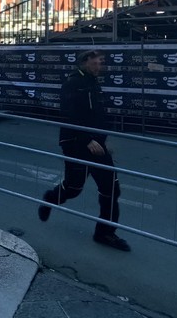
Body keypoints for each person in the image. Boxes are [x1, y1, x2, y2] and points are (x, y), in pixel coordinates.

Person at [38, 50, 130, 252]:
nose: (100, 66)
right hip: (76, 143)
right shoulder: (73, 83)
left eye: (101, 63)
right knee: (74, 188)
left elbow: (97, 116)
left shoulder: (93, 83)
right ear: (85, 61)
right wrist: (86, 139)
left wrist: (103, 142)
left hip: (96, 144)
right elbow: (68, 115)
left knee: (111, 188)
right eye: (97, 63)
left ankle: (105, 232)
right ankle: (51, 198)